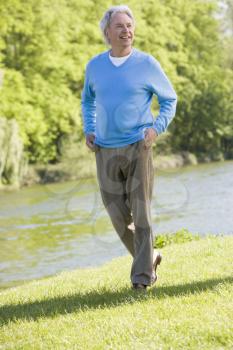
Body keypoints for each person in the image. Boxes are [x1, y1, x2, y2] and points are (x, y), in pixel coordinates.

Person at [81, 5, 177, 291]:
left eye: (130, 25)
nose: (127, 30)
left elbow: (170, 99)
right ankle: (151, 257)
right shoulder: (95, 66)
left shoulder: (147, 64)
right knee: (116, 213)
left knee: (142, 212)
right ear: (107, 32)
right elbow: (87, 101)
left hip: (138, 145)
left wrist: (155, 128)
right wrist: (90, 128)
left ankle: (142, 279)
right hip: (105, 149)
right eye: (120, 26)